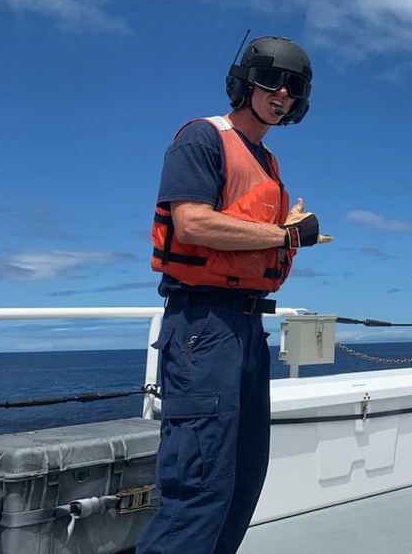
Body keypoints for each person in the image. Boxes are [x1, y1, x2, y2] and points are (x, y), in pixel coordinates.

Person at [137, 35, 332, 554]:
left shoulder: (267, 163)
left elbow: (250, 236)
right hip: (202, 327)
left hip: (247, 328)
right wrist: (287, 235)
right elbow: (194, 222)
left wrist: (285, 233)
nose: (283, 93)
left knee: (244, 475)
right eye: (272, 80)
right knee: (199, 483)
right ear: (244, 83)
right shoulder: (202, 138)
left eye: (294, 87)